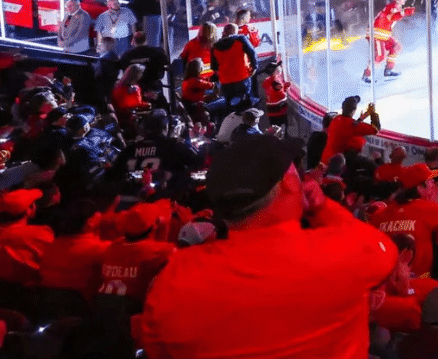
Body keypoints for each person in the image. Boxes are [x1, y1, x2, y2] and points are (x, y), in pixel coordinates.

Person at [138, 133, 397, 358]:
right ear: (289, 184)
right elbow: (383, 249)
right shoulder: (341, 253)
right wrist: (322, 208)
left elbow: (158, 348)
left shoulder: (173, 279)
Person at [365, 0, 410, 82]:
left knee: (396, 46)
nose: (405, 0)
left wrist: (404, 12)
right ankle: (366, 76)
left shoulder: (396, 7)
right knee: (380, 56)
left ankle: (388, 71)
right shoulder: (393, 7)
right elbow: (391, 17)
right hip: (377, 34)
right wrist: (404, 13)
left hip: (383, 34)